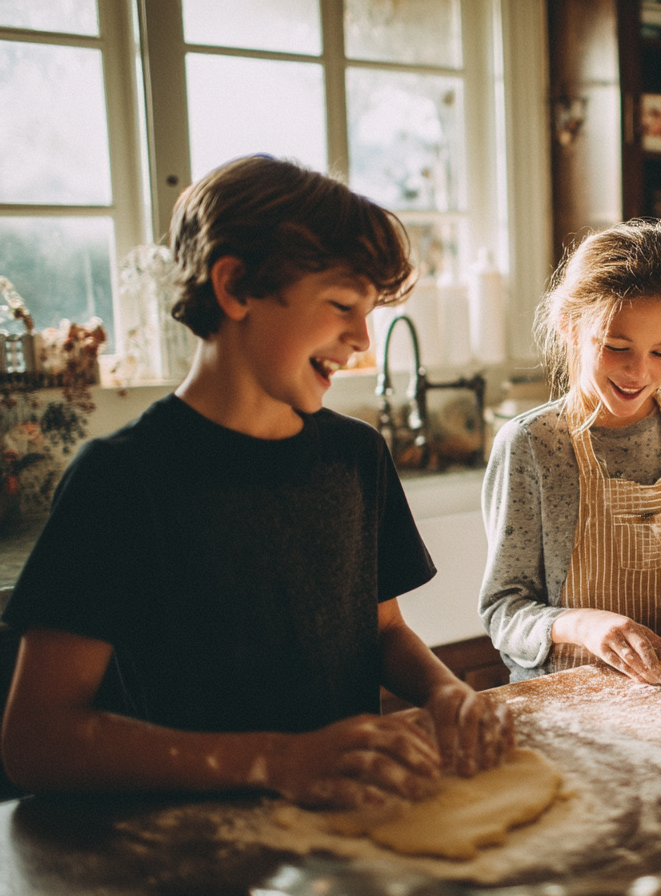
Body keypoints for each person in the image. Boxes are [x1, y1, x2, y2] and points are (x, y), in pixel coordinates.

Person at [1, 155, 509, 808]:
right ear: (236, 286)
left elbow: (382, 632)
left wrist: (447, 694)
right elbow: (37, 740)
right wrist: (276, 760)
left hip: (343, 834)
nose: (361, 340)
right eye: (342, 305)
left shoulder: (356, 457)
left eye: (372, 311)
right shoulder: (120, 481)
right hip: (190, 848)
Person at [480, 219, 661, 685]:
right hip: (571, 699)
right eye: (616, 346)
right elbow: (504, 610)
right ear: (570, 327)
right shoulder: (533, 446)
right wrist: (583, 627)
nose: (638, 372)